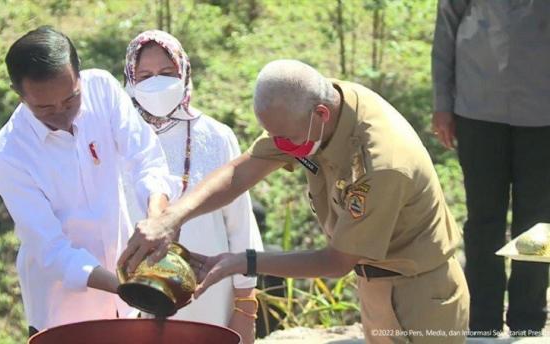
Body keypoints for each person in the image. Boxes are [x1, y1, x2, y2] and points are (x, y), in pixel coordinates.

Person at [119, 59, 470, 343]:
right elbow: (242, 172)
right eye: (273, 137)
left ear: (321, 115)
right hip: (375, 287)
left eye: (285, 139)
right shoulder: (311, 108)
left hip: (419, 295)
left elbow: (337, 262)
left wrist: (243, 262)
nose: (279, 147)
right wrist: (172, 218)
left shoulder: (382, 163)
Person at [0, 26, 178, 335]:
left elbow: (145, 157)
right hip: (62, 310)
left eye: (70, 99)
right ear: (19, 94)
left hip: (126, 303)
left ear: (79, 75)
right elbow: (51, 250)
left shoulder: (102, 89)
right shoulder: (10, 152)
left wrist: (157, 218)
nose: (62, 114)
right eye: (44, 108)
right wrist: (123, 285)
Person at [121, 30, 263, 343]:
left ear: (184, 72)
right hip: (133, 297)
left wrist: (244, 309)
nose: (156, 83)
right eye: (145, 75)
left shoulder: (215, 136)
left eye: (167, 73)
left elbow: (240, 227)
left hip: (210, 297)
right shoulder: (118, 139)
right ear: (130, 79)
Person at [432, 0, 550, 336]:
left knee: (538, 221)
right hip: (477, 109)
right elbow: (446, 31)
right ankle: (482, 320)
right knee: (483, 219)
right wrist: (442, 103)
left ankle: (528, 319)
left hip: (543, 115)